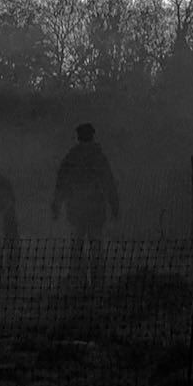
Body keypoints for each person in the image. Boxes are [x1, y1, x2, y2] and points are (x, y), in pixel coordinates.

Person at [51, 123, 120, 288]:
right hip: (96, 209)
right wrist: (114, 204)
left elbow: (61, 182)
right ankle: (98, 284)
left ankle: (78, 282)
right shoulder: (99, 157)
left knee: (77, 248)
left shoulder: (71, 156)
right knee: (96, 247)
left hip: (76, 210)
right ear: (92, 136)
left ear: (78, 136)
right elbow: (108, 182)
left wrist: (57, 204)